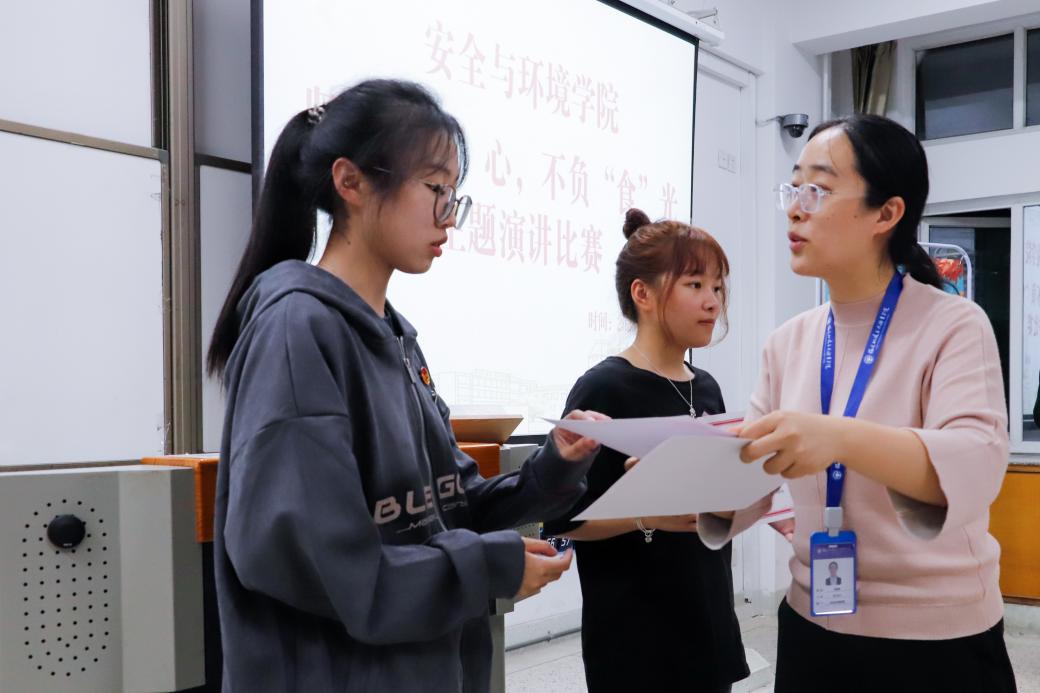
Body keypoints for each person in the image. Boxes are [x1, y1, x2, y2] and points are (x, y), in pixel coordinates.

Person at [206, 79, 605, 693]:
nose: (449, 216)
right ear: (351, 182)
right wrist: (485, 567)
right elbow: (320, 564)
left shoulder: (394, 336)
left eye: (454, 195)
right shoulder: (297, 328)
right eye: (435, 189)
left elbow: (448, 506)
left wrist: (554, 466)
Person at [698, 114, 1016, 692]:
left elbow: (975, 462)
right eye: (793, 188)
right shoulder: (788, 341)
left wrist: (837, 437)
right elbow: (754, 479)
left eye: (817, 190)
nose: (795, 209)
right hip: (812, 624)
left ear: (886, 214)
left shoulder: (954, 325)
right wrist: (684, 486)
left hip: (936, 637)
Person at [544, 209, 749, 693]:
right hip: (636, 638)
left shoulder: (707, 387)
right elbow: (561, 520)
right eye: (695, 285)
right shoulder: (603, 388)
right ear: (643, 294)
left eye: (718, 287)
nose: (713, 302)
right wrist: (646, 515)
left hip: (708, 623)